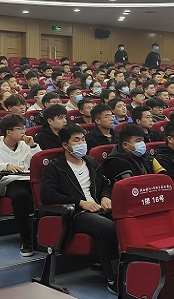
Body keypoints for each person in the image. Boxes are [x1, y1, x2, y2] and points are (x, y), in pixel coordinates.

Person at [40, 124, 119, 294]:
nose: (82, 143)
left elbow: (106, 183)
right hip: (75, 213)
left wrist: (106, 196)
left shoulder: (92, 162)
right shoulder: (55, 168)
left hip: (98, 207)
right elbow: (47, 195)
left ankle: (124, 268)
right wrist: (80, 202)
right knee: (107, 227)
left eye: (83, 139)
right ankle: (112, 277)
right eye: (76, 140)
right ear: (65, 145)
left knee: (123, 221)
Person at [0, 114, 41, 256]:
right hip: (10, 182)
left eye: (24, 128)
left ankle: (44, 235)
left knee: (47, 192)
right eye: (19, 129)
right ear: (9, 132)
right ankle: (26, 239)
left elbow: (39, 162)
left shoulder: (26, 145)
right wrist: (5, 166)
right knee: (21, 196)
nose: (24, 131)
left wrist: (33, 146)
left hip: (28, 180)